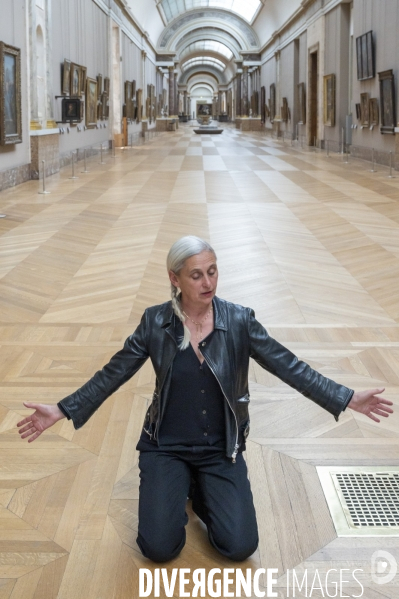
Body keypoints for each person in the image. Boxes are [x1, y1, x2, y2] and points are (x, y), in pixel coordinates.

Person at [17, 236, 393, 563]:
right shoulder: (155, 323)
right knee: (158, 548)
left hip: (220, 449)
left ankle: (197, 491)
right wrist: (63, 408)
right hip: (165, 445)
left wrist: (345, 398)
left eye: (212, 271)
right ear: (174, 278)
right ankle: (178, 484)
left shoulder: (239, 320)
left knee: (240, 546)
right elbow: (113, 373)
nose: (208, 281)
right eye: (196, 275)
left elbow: (289, 366)